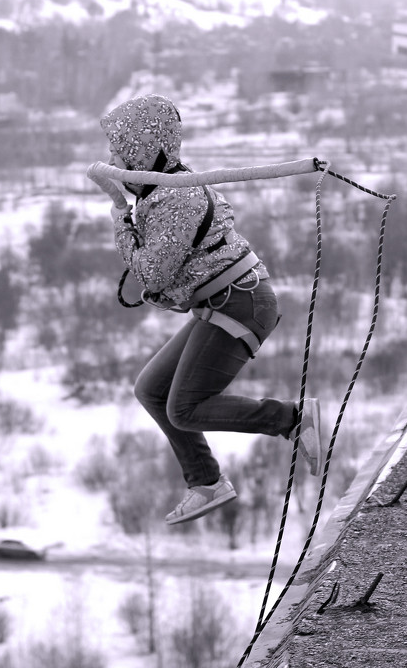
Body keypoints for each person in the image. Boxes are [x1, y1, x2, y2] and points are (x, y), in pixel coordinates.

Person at [88, 93, 323, 525]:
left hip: (240, 301)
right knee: (152, 389)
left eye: (119, 153)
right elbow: (169, 272)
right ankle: (206, 483)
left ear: (142, 153)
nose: (114, 162)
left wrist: (119, 214)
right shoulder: (162, 196)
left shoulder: (177, 199)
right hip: (220, 302)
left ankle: (291, 418)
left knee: (183, 408)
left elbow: (150, 272)